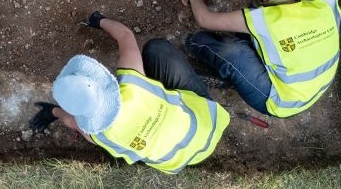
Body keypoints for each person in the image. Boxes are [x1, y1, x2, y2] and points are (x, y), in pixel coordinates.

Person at [29, 12, 229, 174]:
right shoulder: (131, 85)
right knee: (157, 49)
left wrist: (52, 112)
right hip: (208, 122)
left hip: (175, 161)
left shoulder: (100, 135)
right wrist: (98, 20)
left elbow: (71, 121)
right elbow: (125, 35)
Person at [182, 0, 341, 118]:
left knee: (231, 51)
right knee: (255, 11)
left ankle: (192, 44)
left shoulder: (268, 20)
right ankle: (244, 72)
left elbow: (205, 20)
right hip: (315, 86)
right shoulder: (325, 1)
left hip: (282, 102)